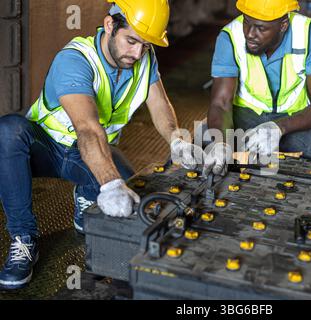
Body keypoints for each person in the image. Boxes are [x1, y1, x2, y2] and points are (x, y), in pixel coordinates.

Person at [0, 0, 195, 290]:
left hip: (87, 155)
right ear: (109, 25)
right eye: (131, 41)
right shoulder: (76, 60)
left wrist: (176, 138)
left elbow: (160, 105)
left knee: (135, 195)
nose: (137, 53)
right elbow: (88, 130)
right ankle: (23, 237)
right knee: (8, 131)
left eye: (145, 45)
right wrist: (110, 183)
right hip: (47, 150)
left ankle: (86, 197)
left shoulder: (145, 57)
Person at [201, 0, 311, 176]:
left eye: (261, 28)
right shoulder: (229, 36)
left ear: (283, 25)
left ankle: (302, 179)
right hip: (246, 116)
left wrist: (278, 128)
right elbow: (221, 103)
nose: (249, 33)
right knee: (206, 136)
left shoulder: (310, 34)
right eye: (246, 21)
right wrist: (221, 145)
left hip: (293, 120)